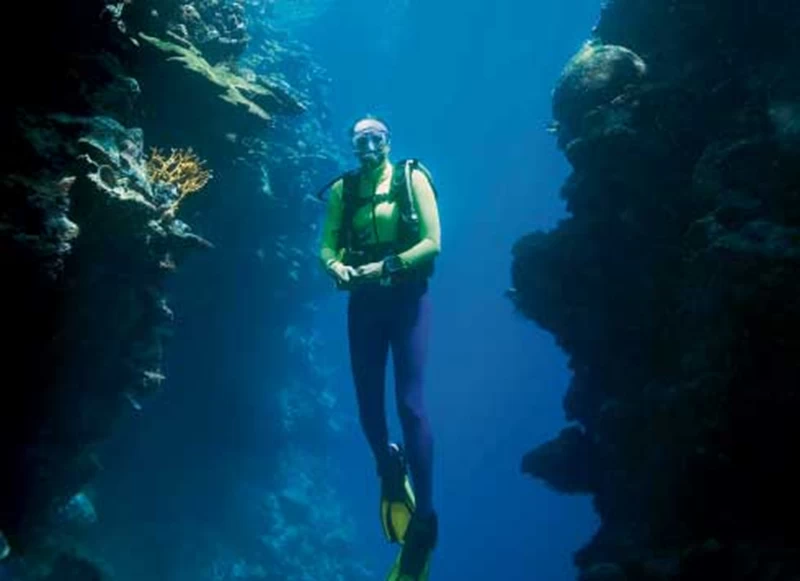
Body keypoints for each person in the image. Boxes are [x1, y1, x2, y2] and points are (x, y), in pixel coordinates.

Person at [318, 115, 441, 580]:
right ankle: (390, 470)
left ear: (389, 140)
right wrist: (335, 267)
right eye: (359, 140)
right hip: (364, 307)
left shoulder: (413, 177)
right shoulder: (342, 191)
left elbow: (433, 243)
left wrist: (386, 266)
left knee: (410, 407)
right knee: (369, 411)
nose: (367, 146)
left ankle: (425, 520)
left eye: (375, 138)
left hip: (407, 301)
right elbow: (325, 246)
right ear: (352, 146)